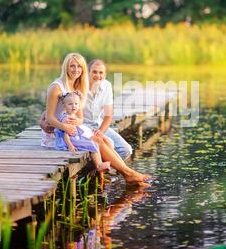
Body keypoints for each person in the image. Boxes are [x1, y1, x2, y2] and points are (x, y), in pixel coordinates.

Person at [39, 52, 150, 186]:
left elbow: (80, 118)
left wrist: (78, 122)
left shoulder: (75, 86)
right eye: (72, 66)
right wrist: (63, 126)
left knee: (104, 140)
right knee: (98, 140)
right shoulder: (56, 87)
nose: (76, 70)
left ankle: (123, 175)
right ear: (65, 67)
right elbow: (49, 116)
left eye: (79, 66)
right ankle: (128, 174)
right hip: (60, 135)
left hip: (75, 130)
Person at [54, 90, 111, 181]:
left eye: (76, 104)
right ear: (64, 106)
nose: (74, 106)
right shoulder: (66, 119)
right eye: (70, 104)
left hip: (75, 138)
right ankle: (99, 166)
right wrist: (70, 146)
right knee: (92, 144)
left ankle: (99, 171)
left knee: (95, 143)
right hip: (69, 141)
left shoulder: (73, 116)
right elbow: (65, 134)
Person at [84, 59, 133, 160]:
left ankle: (109, 172)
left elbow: (108, 116)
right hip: (83, 126)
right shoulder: (80, 85)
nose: (98, 75)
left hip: (98, 124)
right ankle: (103, 170)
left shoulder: (107, 86)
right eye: (94, 72)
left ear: (105, 75)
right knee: (109, 144)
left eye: (101, 72)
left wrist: (101, 131)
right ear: (88, 73)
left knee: (126, 149)